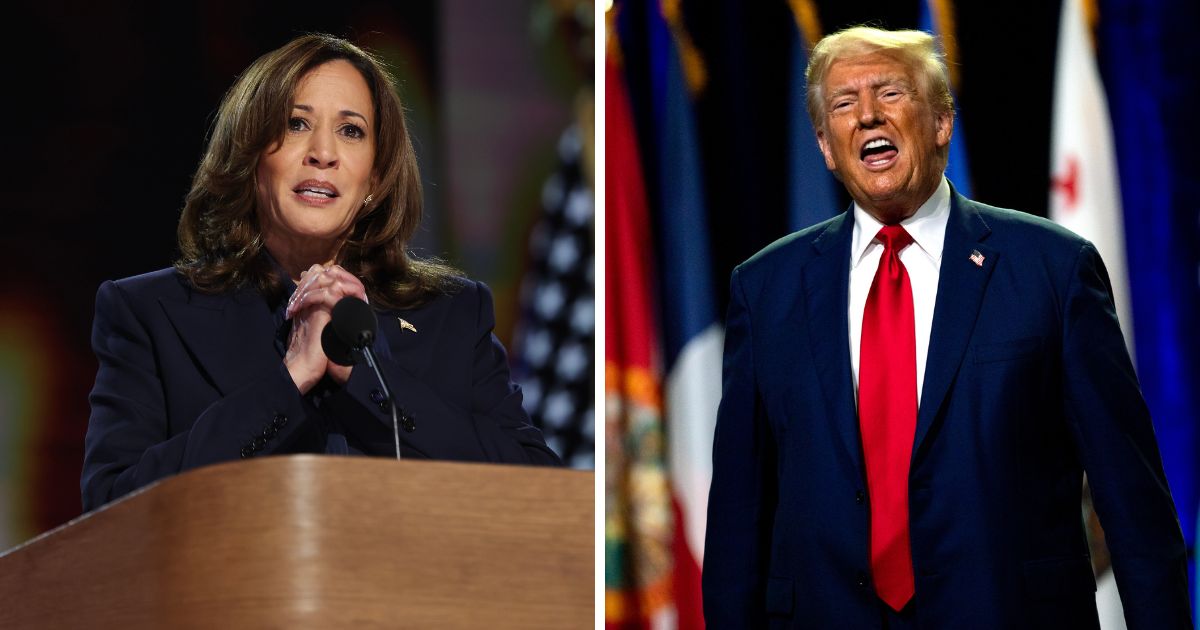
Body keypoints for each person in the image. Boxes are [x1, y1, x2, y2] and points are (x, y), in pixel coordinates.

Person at [701, 26, 1192, 629]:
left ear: (940, 122)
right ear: (826, 145)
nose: (867, 117)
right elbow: (737, 519)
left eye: (890, 93)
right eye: (844, 105)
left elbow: (1134, 503)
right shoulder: (765, 289)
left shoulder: (1052, 270)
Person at [82, 34, 561, 512]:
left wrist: (368, 380)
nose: (323, 153)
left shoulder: (452, 315)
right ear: (250, 158)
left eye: (351, 131)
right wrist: (289, 379)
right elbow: (112, 508)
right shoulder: (151, 314)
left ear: (374, 178)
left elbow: (540, 491)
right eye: (295, 124)